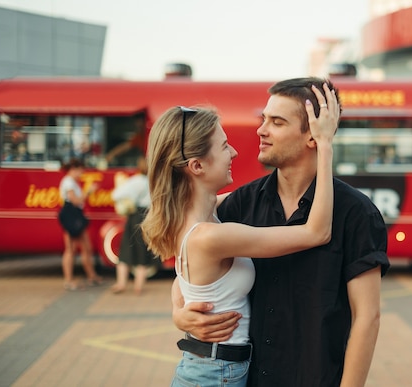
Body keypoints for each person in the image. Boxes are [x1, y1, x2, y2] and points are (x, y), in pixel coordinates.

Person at [172, 77, 390, 387]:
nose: (261, 130)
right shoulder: (240, 204)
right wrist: (178, 312)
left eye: (277, 122)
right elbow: (189, 265)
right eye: (264, 119)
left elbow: (367, 318)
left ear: (313, 136)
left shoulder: (357, 213)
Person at [141, 83, 338, 387]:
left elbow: (184, 286)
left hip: (213, 369)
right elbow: (317, 232)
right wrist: (324, 144)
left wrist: (179, 311)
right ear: (196, 166)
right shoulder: (210, 236)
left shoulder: (199, 215)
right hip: (214, 375)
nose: (233, 151)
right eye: (223, 146)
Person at [110, 156, 155, 295]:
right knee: (143, 253)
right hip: (148, 216)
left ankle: (121, 283)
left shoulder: (135, 181)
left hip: (135, 216)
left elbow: (116, 194)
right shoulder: (154, 182)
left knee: (126, 251)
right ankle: (138, 286)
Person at [58, 158, 102, 290]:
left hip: (73, 215)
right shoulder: (68, 182)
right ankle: (69, 280)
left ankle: (91, 276)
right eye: (80, 170)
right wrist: (88, 191)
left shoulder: (70, 182)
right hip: (72, 214)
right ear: (74, 169)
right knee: (71, 248)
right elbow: (76, 201)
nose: (81, 173)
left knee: (85, 247)